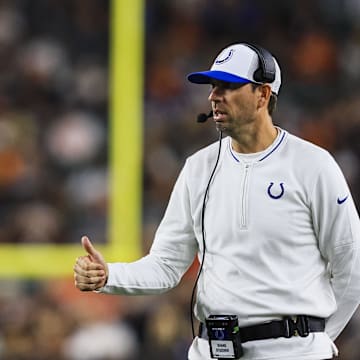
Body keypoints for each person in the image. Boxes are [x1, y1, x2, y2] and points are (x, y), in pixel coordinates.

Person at [73, 43, 360, 360]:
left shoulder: (312, 165)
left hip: (293, 352)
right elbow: (166, 265)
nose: (214, 96)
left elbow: (352, 266)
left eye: (229, 86)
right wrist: (109, 276)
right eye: (213, 86)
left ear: (263, 95)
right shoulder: (198, 168)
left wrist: (318, 338)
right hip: (213, 351)